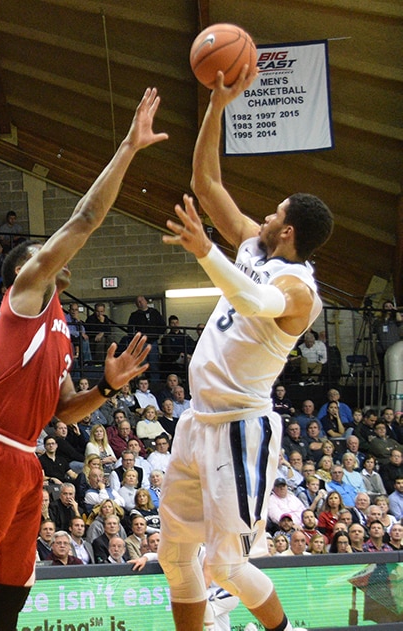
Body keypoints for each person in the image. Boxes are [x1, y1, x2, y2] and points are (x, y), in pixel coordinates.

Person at [0, 87, 163, 631]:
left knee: (14, 581)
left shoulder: (61, 330)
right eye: (44, 251)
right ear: (23, 270)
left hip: (26, 459)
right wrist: (128, 147)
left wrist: (108, 388)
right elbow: (85, 218)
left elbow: (66, 412)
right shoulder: (26, 295)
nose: (56, 254)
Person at [157, 64, 335, 631]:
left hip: (241, 427)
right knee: (174, 556)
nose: (266, 216)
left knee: (226, 564)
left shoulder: (300, 292)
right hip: (197, 420)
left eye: (276, 213)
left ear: (289, 231)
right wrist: (216, 105)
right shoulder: (256, 247)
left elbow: (256, 302)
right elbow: (206, 182)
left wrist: (205, 253)